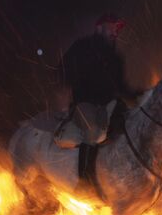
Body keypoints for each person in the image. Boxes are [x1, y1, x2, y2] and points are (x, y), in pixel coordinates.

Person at [54, 13, 139, 149]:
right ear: (99, 28)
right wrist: (77, 83)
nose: (115, 31)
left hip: (108, 105)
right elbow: (62, 70)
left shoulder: (116, 59)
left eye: (117, 28)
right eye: (111, 27)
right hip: (85, 104)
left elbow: (121, 87)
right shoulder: (82, 47)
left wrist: (138, 96)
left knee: (130, 124)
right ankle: (86, 170)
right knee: (92, 130)